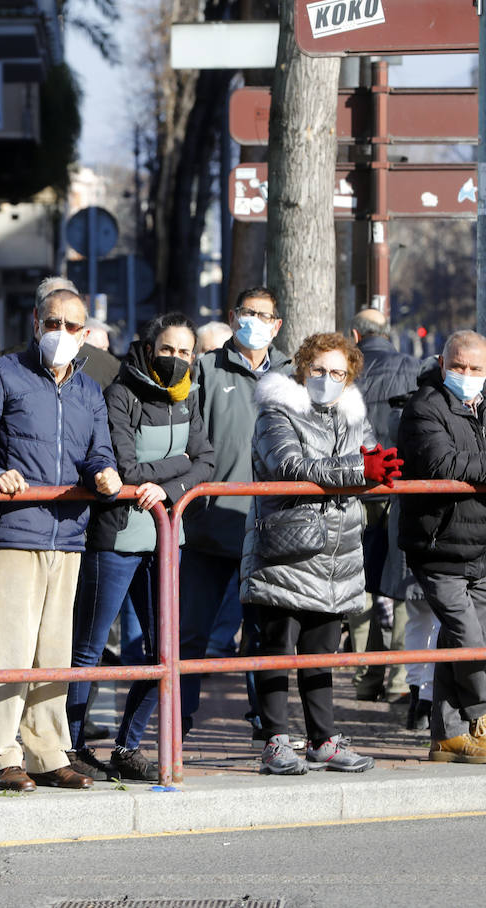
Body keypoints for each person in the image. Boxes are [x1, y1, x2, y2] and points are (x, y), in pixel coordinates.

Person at [0, 276, 122, 792]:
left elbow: (99, 449)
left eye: (72, 326)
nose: (62, 333)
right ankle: (3, 756)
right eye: (54, 324)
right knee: (9, 652)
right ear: (35, 323)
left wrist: (104, 472)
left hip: (68, 535)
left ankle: (47, 752)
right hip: (13, 533)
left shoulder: (90, 389)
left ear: (85, 331)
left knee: (53, 654)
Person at [66, 312, 214, 781]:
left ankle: (128, 747)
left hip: (166, 538)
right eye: (168, 349)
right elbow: (126, 469)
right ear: (150, 349)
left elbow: (207, 459)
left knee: (161, 650)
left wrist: (169, 489)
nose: (176, 359)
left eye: (185, 352)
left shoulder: (188, 395)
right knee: (88, 650)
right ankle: (70, 746)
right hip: (115, 539)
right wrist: (181, 464)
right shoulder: (122, 393)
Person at [244, 332, 400, 774]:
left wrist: (378, 465)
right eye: (318, 370)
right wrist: (360, 469)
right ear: (301, 368)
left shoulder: (353, 414)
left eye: (337, 372)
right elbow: (289, 466)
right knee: (278, 646)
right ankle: (275, 740)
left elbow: (370, 460)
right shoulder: (276, 410)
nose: (327, 380)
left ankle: (323, 740)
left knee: (321, 650)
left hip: (339, 548)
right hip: (286, 547)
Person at [396, 330, 486, 763]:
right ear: (443, 363)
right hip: (439, 547)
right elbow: (445, 463)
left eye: (475, 368)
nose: (466, 374)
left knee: (459, 642)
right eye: (458, 366)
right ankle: (480, 715)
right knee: (471, 639)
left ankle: (446, 736)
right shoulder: (425, 405)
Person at [179, 286, 291, 737]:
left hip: (269, 526)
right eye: (248, 313)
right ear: (232, 316)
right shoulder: (206, 368)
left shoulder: (291, 374)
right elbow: (189, 436)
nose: (255, 322)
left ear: (277, 324)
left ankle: (268, 725)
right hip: (210, 523)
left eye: (264, 316)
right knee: (191, 633)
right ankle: (179, 720)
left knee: (264, 636)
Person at [348, 308, 423, 704]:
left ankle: (364, 675)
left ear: (356, 334)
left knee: (357, 582)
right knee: (399, 582)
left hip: (354, 485)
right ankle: (397, 679)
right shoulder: (410, 366)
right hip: (399, 484)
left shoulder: (346, 370)